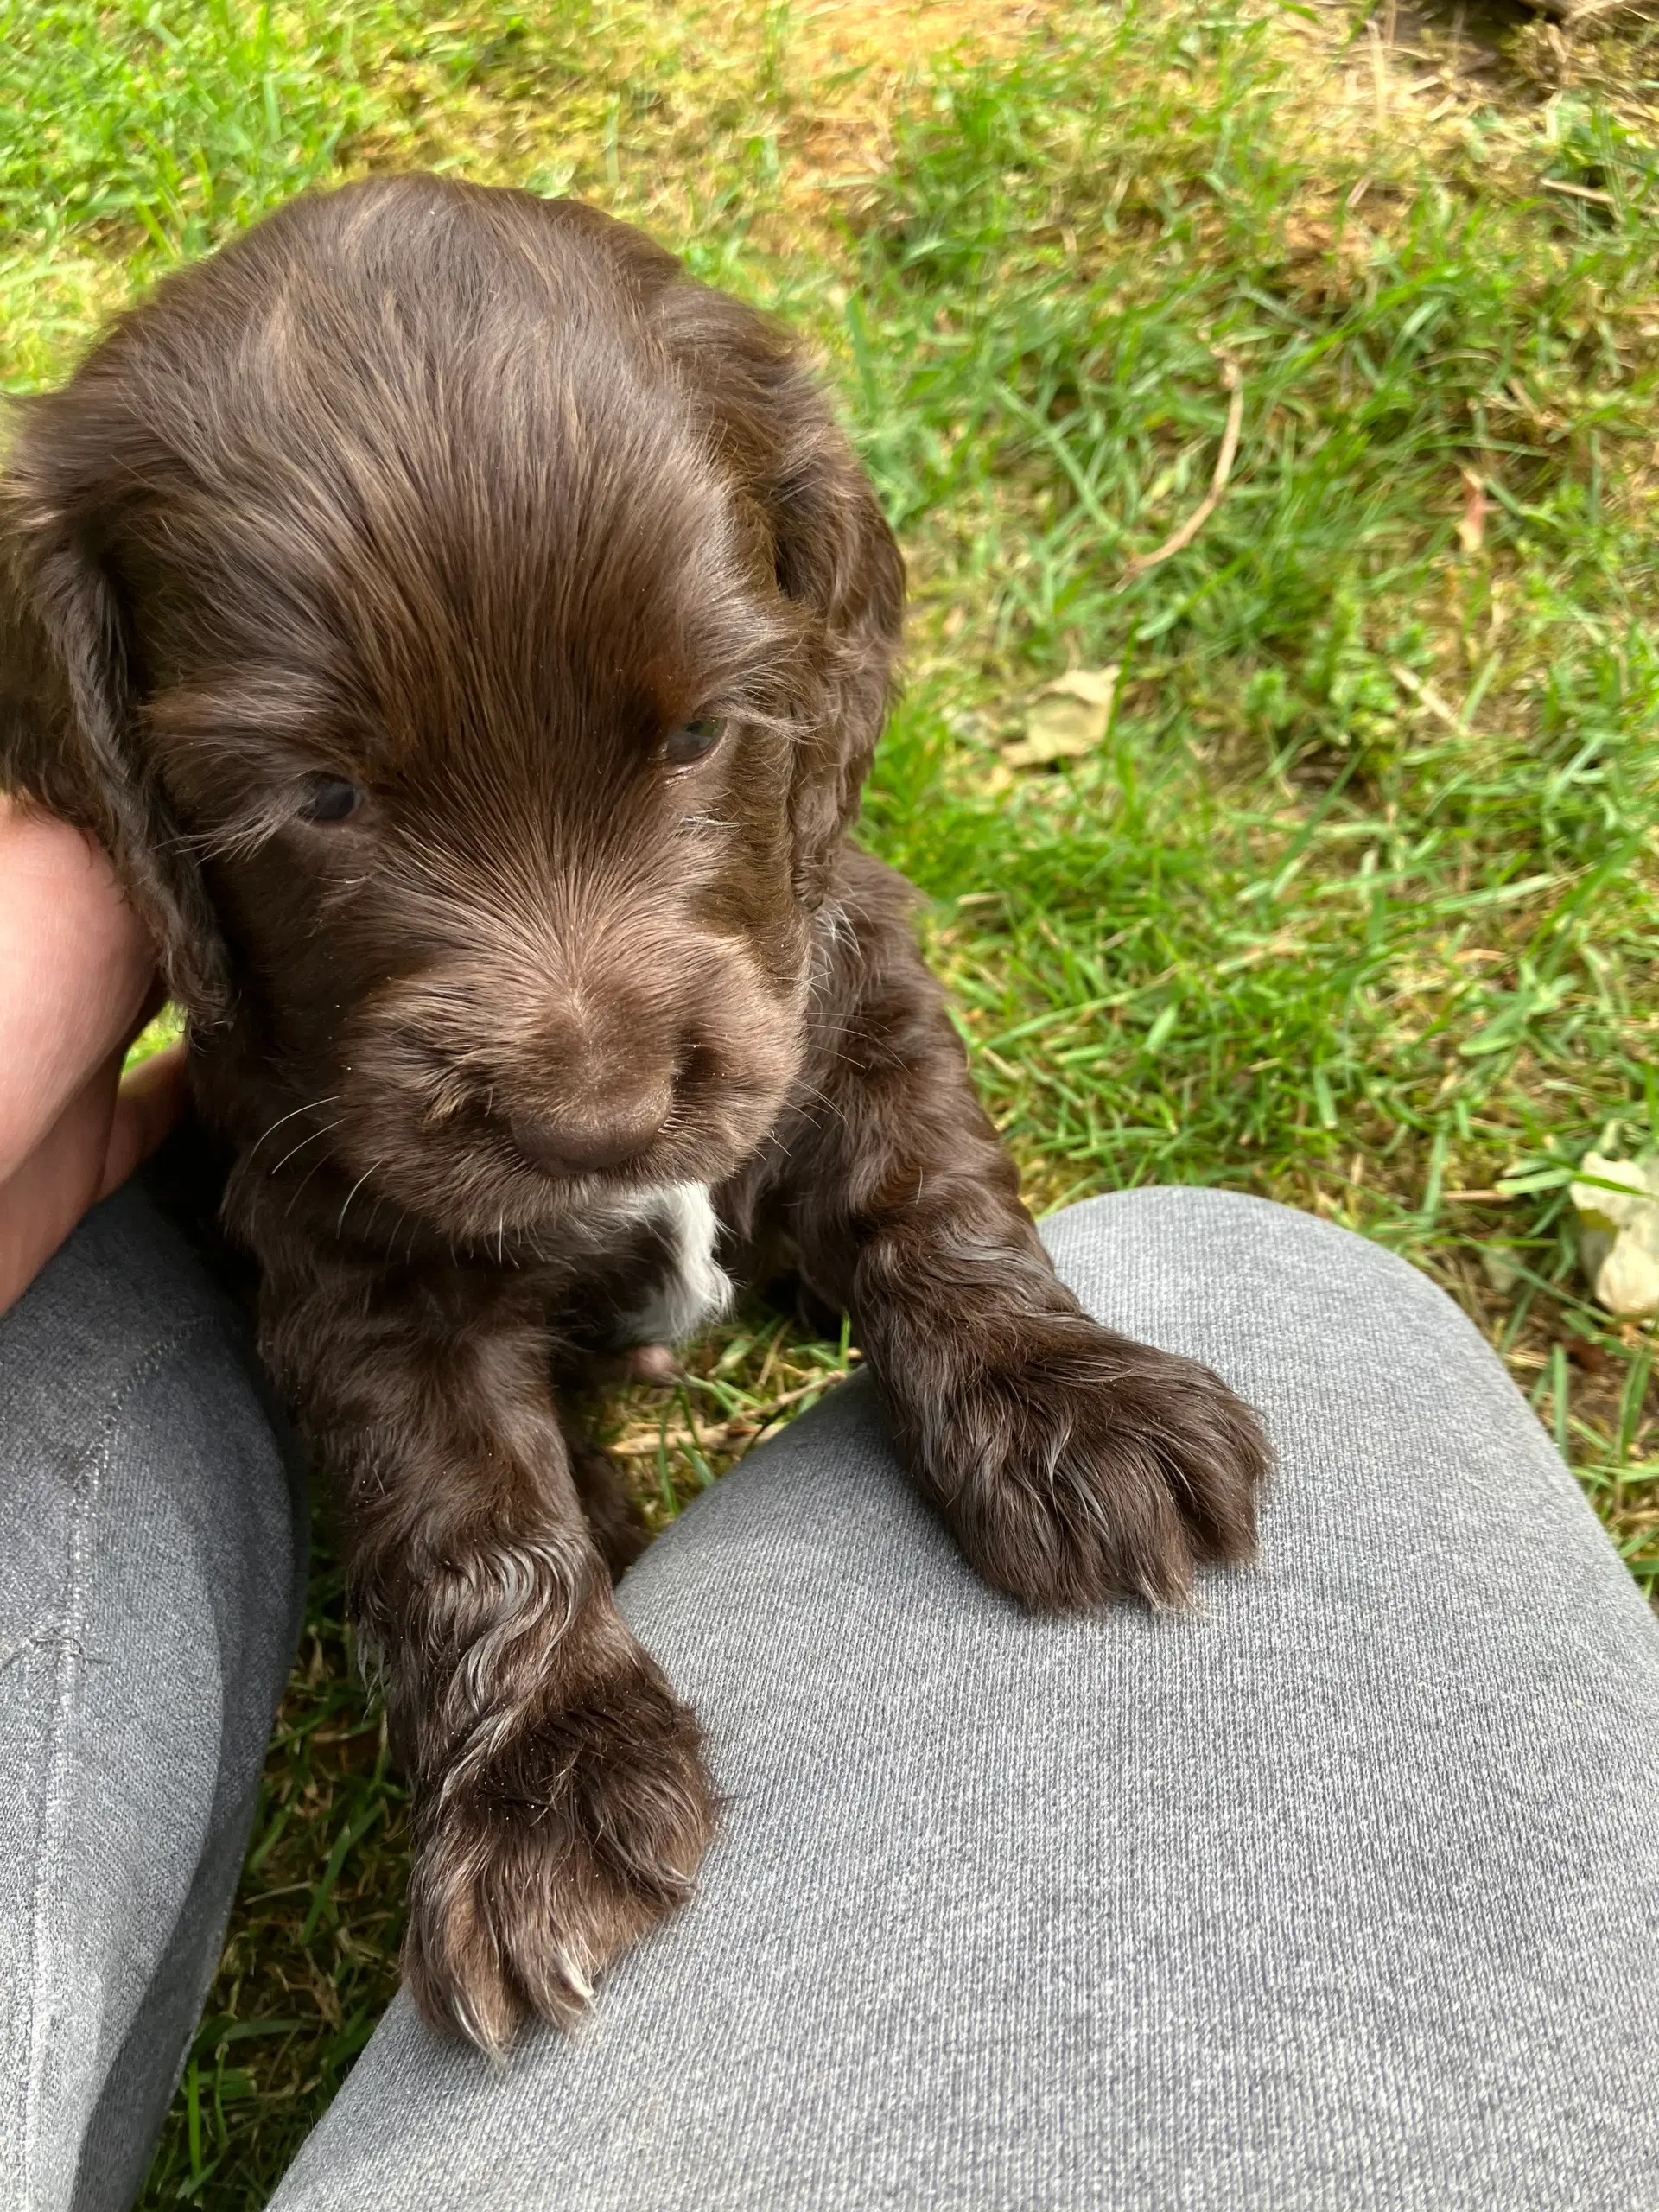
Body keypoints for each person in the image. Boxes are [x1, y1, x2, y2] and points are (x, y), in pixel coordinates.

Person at [3, 791, 1657, 2212]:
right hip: (375, 1199)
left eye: (688, 743)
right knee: (1252, 1286)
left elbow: (868, 1047)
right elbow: (372, 1313)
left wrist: (984, 1318)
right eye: (332, 795)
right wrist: (516, 1684)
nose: (585, 1060)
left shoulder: (791, 910)